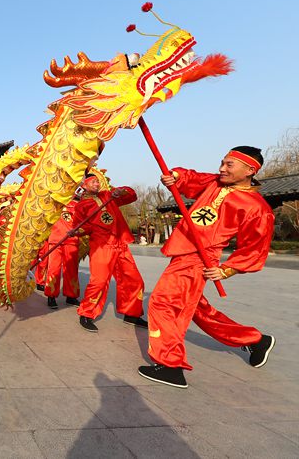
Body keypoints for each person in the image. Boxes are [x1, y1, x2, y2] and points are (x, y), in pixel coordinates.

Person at [138, 146, 276, 388]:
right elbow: (192, 178)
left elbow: (255, 247)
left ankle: (170, 366)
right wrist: (176, 177)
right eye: (222, 162)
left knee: (163, 303)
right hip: (186, 252)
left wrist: (227, 269)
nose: (222, 168)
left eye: (229, 165)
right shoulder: (216, 183)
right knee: (195, 309)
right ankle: (254, 340)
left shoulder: (257, 208)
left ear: (250, 170)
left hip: (198, 258)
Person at [70, 174, 147, 332]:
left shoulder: (108, 195)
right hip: (101, 245)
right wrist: (76, 231)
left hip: (120, 243)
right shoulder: (81, 206)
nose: (97, 184)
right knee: (99, 281)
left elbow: (131, 195)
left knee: (134, 280)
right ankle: (86, 313)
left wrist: (122, 191)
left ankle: (132, 313)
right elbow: (83, 228)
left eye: (98, 181)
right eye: (93, 181)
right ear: (84, 185)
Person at [43, 199, 81, 309]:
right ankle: (51, 295)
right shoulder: (53, 202)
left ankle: (71, 296)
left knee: (71, 269)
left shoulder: (78, 204)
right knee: (53, 268)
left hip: (72, 240)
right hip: (55, 240)